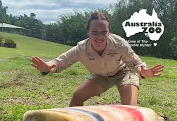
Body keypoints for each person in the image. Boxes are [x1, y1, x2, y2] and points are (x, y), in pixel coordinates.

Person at [31, 12, 164, 107]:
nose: (99, 36)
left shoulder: (120, 44)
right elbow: (60, 62)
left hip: (125, 72)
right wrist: (47, 67)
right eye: (95, 32)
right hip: (101, 76)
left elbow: (135, 63)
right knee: (78, 95)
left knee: (129, 108)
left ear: (108, 32)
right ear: (87, 32)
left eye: (104, 32)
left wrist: (144, 72)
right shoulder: (81, 49)